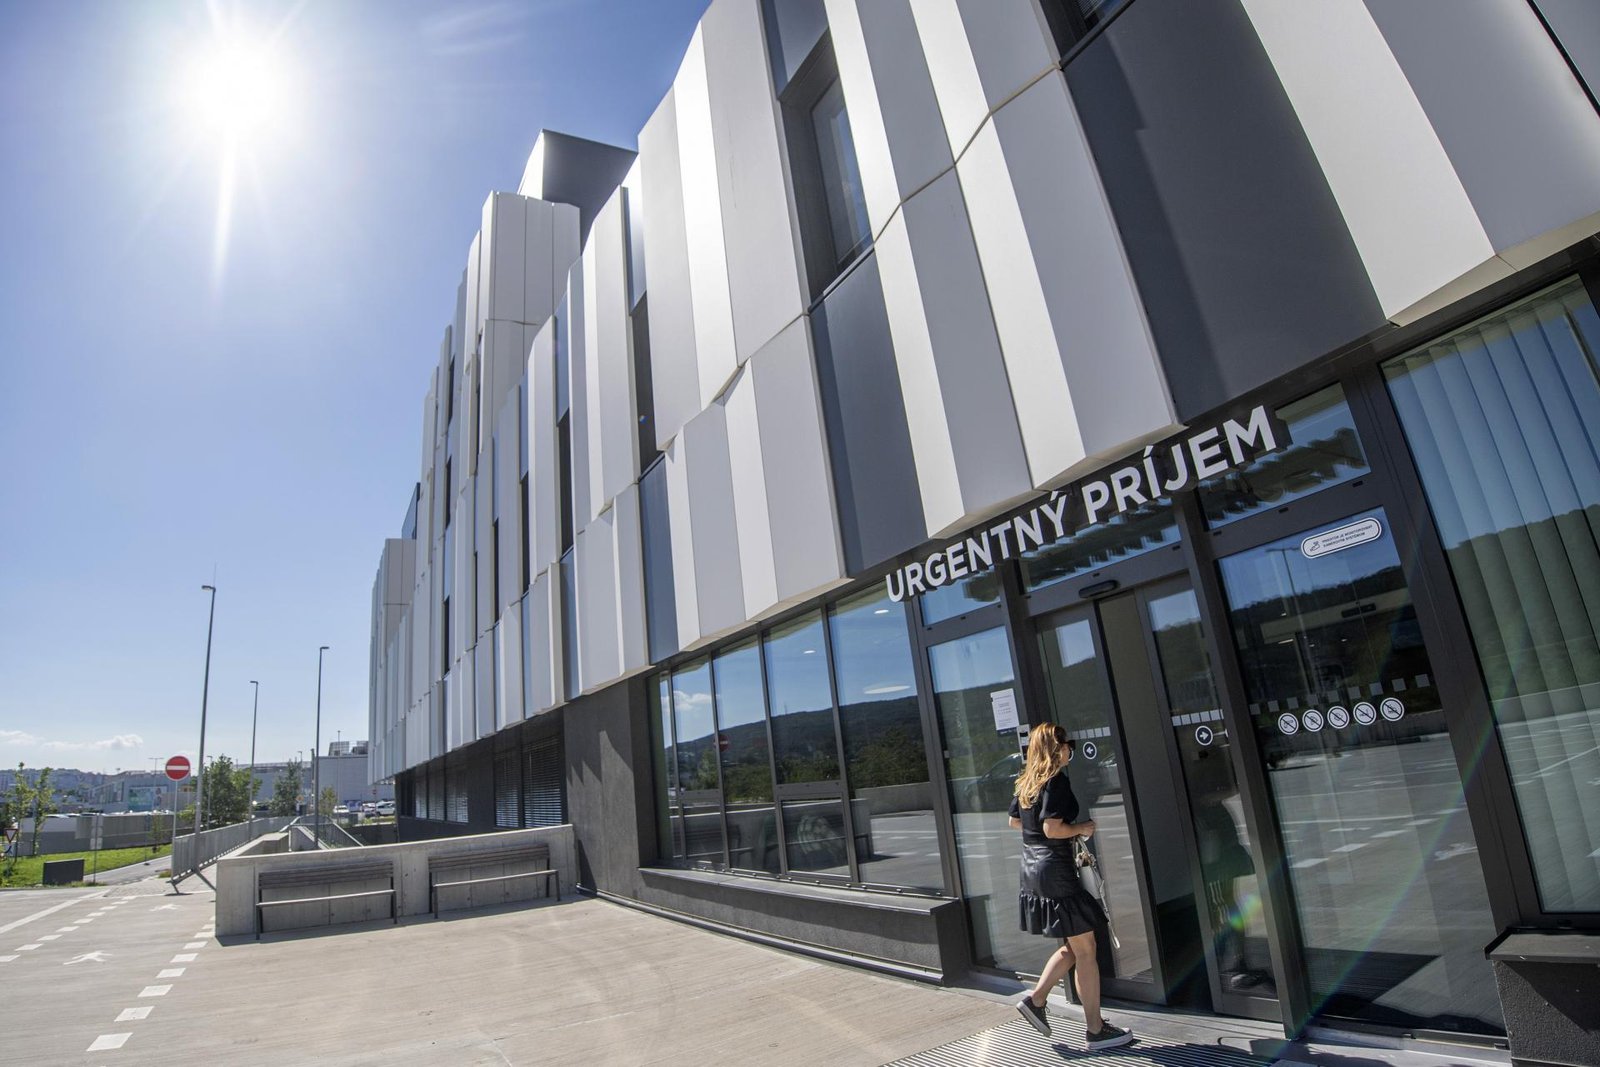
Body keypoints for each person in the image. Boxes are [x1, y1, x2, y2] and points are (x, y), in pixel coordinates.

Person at [1009, 723, 1133, 1051]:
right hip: (1055, 872)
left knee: (1075, 945)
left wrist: (1041, 836)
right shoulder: (1056, 781)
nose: (1070, 750)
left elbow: (1015, 821)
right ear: (1056, 747)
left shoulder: (1027, 781)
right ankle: (1095, 1030)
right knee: (1086, 948)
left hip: (1032, 870)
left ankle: (1036, 1001)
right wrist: (1081, 828)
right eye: (1067, 745)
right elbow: (1052, 829)